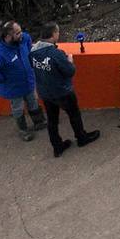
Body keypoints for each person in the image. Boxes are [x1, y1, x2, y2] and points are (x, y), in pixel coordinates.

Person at [30, 22, 100, 159]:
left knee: (52, 120)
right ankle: (81, 137)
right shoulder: (56, 54)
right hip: (62, 91)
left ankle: (57, 147)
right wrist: (69, 60)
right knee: (74, 114)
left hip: (45, 92)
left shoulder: (33, 52)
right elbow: (69, 71)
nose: (59, 35)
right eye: (57, 32)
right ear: (53, 35)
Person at [0, 21, 45, 142]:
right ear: (8, 36)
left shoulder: (24, 39)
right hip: (14, 88)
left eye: (20, 31)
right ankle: (23, 130)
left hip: (28, 81)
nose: (22, 34)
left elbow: (29, 50)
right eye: (17, 33)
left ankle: (39, 122)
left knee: (33, 102)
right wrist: (5, 80)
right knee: (18, 108)